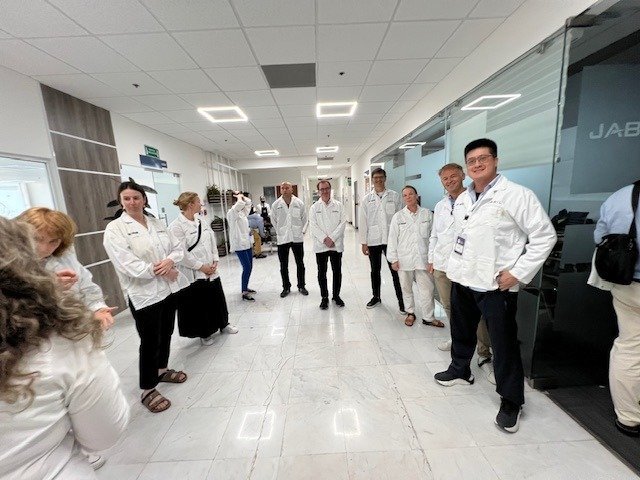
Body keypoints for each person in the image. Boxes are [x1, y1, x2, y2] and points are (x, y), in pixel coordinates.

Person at [434, 138, 556, 434]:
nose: (477, 164)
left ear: (496, 160)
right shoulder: (464, 198)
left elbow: (545, 236)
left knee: (503, 343)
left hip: (495, 285)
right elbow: (459, 237)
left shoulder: (517, 195)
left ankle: (511, 400)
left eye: (483, 159)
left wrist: (518, 273)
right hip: (463, 279)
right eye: (471, 161)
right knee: (461, 331)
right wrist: (450, 266)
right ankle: (460, 369)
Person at [0, 216, 129, 479]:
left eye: (54, 241)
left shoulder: (65, 261)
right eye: (37, 239)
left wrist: (98, 308)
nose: (45, 247)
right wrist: (49, 289)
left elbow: (89, 289)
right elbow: (105, 433)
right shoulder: (64, 345)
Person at [103, 181, 190, 414]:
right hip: (143, 294)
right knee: (150, 341)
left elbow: (177, 248)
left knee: (166, 332)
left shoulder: (156, 223)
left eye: (136, 198)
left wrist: (170, 261)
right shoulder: (115, 229)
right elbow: (127, 264)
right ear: (121, 202)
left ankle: (161, 370)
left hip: (168, 290)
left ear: (144, 200)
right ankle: (147, 388)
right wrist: (162, 270)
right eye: (127, 199)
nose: (132, 202)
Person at [427, 164, 495, 384]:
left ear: (463, 176)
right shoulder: (440, 205)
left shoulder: (475, 201)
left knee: (476, 313)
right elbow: (435, 235)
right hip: (443, 265)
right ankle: (456, 341)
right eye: (445, 179)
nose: (449, 181)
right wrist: (431, 259)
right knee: (449, 307)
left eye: (453, 176)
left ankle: (484, 352)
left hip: (467, 268)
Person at [592, 181, 640, 437]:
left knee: (629, 347)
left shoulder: (621, 196)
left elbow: (600, 238)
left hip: (627, 283)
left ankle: (629, 417)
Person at [169, 192, 238, 346]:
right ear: (190, 205)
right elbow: (182, 253)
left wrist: (215, 260)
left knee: (217, 298)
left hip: (211, 268)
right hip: (194, 271)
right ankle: (204, 332)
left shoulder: (201, 221)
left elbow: (212, 240)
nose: (201, 204)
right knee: (200, 303)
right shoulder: (176, 227)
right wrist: (201, 267)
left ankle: (223, 324)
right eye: (198, 202)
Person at [387, 185, 435, 327]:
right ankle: (410, 312)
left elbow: (433, 237)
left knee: (427, 289)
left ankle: (428, 317)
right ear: (403, 198)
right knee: (406, 288)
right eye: (405, 195)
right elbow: (392, 239)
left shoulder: (427, 214)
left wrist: (432, 259)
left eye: (411, 194)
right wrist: (393, 259)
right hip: (404, 259)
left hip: (423, 259)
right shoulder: (398, 217)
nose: (408, 197)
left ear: (416, 195)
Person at [359, 168, 405, 313]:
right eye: (375, 178)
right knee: (375, 270)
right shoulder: (367, 199)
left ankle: (402, 301)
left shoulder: (395, 196)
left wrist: (401, 239)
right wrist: (364, 242)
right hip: (373, 240)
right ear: (372, 180)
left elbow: (400, 218)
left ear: (385, 178)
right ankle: (376, 297)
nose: (378, 180)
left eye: (380, 177)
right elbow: (363, 221)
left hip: (391, 240)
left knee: (395, 271)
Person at [308, 180, 347, 310]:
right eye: (322, 189)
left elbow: (343, 223)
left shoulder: (339, 206)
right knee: (322, 273)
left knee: (337, 272)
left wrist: (333, 238)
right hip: (321, 246)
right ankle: (324, 297)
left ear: (330, 189)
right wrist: (325, 239)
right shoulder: (314, 208)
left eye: (327, 188)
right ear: (318, 191)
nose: (325, 191)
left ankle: (336, 296)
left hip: (336, 245)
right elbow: (313, 226)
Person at [271, 181, 308, 298]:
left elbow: (304, 218)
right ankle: (286, 287)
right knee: (283, 265)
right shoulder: (276, 204)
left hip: (297, 238)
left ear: (292, 189)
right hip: (283, 238)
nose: (285, 190)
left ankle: (301, 286)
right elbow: (273, 220)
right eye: (282, 188)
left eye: (287, 188)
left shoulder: (299, 203)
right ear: (280, 190)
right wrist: (280, 231)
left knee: (300, 263)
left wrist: (301, 231)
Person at [227, 191, 257, 301]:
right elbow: (240, 204)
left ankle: (245, 287)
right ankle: (244, 292)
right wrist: (239, 197)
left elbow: (248, 203)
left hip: (247, 243)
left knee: (250, 267)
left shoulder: (242, 213)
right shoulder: (231, 213)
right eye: (239, 198)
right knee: (247, 267)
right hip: (239, 245)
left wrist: (242, 196)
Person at [245, 192, 267, 259]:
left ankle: (255, 252)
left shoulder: (248, 205)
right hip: (247, 226)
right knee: (257, 238)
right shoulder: (245, 205)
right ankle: (257, 253)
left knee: (255, 238)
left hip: (248, 225)